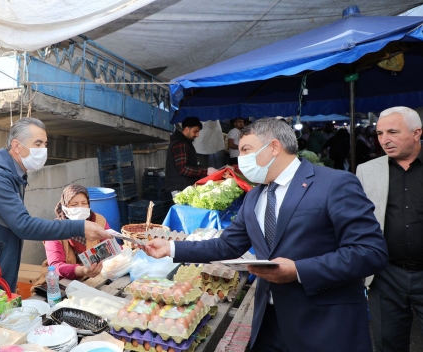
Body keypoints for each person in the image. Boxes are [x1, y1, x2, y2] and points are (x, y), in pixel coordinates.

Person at [145, 117, 388, 352]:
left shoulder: (334, 183)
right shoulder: (253, 196)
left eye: (246, 150)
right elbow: (226, 245)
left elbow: (370, 252)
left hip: (323, 325)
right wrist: (172, 248)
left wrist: (299, 270)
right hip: (269, 324)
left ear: (273, 147)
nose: (240, 160)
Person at [0, 118, 111, 305]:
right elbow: (23, 226)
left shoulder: (14, 175)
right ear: (17, 146)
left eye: (45, 144)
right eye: (38, 144)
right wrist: (79, 226)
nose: (43, 150)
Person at [356, 106, 423, 352]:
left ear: (417, 133)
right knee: (387, 344)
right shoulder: (367, 170)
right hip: (386, 276)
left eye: (393, 132)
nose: (385, 139)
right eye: (380, 133)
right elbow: (357, 220)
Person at [32, 185, 109, 292]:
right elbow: (56, 266)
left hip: (96, 277)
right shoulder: (55, 230)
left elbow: (110, 247)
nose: (80, 208)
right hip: (64, 282)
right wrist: (83, 270)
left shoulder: (98, 221)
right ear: (65, 208)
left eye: (84, 203)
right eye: (74, 205)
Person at [164, 117, 216, 193]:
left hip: (183, 186)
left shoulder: (186, 143)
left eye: (198, 132)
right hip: (179, 188)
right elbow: (183, 169)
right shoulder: (180, 144)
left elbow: (191, 165)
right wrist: (206, 171)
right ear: (187, 129)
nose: (197, 135)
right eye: (195, 131)